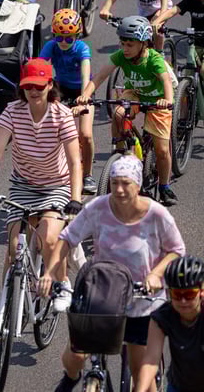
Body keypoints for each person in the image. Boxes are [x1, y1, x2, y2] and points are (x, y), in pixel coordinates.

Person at [37, 154, 185, 392]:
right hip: (103, 295)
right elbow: (67, 239)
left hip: (142, 301)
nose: (119, 189)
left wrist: (157, 274)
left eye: (126, 183)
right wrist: (50, 272)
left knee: (142, 379)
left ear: (138, 186)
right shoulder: (98, 207)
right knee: (75, 356)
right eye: (115, 182)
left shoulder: (157, 215)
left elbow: (176, 251)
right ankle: (72, 378)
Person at [0, 58, 83, 338]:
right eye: (28, 86)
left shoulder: (61, 115)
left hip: (56, 185)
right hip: (23, 185)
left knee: (49, 239)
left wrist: (75, 198)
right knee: (13, 251)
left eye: (39, 85)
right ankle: (2, 319)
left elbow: (75, 162)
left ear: (50, 85)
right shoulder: (13, 111)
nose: (33, 91)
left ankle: (62, 285)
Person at [75, 15, 176, 206]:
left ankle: (164, 186)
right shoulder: (121, 56)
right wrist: (85, 96)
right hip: (135, 93)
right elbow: (99, 77)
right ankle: (120, 148)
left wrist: (167, 101)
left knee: (162, 150)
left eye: (130, 45)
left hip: (157, 99)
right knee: (119, 113)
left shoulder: (153, 59)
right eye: (122, 44)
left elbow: (166, 81)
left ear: (144, 43)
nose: (125, 49)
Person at [40, 9, 97, 193]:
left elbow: (85, 74)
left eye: (69, 38)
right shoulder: (51, 46)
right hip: (61, 88)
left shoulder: (82, 48)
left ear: (77, 36)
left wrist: (82, 101)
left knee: (85, 135)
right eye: (59, 38)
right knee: (50, 129)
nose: (63, 43)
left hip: (82, 90)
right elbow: (40, 68)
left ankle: (87, 175)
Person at [136, 255, 204, 392]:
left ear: (201, 292)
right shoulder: (162, 316)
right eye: (177, 295)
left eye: (189, 294)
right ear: (168, 293)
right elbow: (151, 360)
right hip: (179, 387)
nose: (183, 301)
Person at [151, 0, 204, 77]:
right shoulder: (192, 0)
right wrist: (157, 21)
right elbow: (173, 11)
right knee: (188, 73)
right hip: (195, 43)